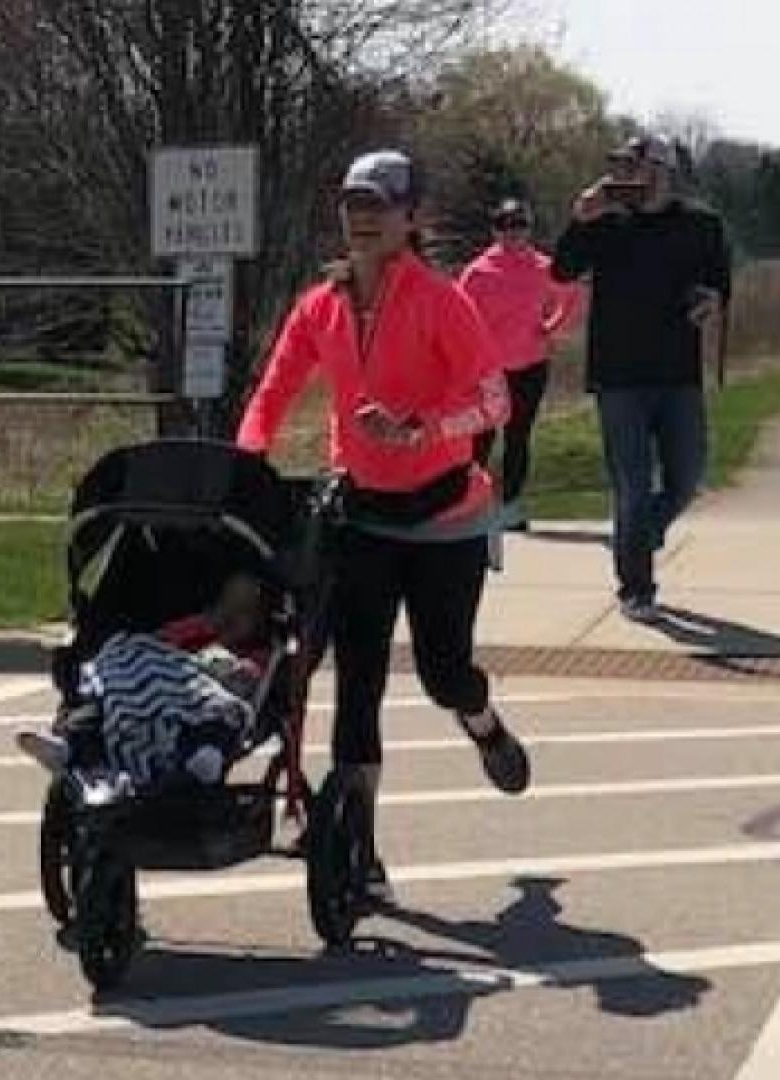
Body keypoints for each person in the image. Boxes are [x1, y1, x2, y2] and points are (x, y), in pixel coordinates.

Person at [235, 149, 532, 907]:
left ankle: (483, 723)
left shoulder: (440, 301)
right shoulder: (321, 305)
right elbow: (275, 387)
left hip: (445, 519)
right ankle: (356, 844)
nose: (363, 217)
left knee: (442, 673)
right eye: (353, 204)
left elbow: (494, 401)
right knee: (356, 678)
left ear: (410, 218)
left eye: (380, 205)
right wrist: (245, 459)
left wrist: (421, 429)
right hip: (362, 516)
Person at [552, 134, 732, 622]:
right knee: (631, 485)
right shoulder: (607, 222)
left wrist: (709, 300)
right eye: (624, 167)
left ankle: (639, 536)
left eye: (641, 166)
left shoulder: (700, 224)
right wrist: (580, 218)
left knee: (687, 476)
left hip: (678, 372)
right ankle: (636, 587)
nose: (631, 176)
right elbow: (562, 271)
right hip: (618, 376)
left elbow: (719, 281)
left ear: (665, 171)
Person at [15, 573, 270, 792]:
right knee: (108, 693)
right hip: (153, 688)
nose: (232, 618)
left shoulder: (255, 652)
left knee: (220, 712)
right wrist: (205, 624)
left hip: (197, 705)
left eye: (245, 612)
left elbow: (248, 684)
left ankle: (200, 753)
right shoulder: (196, 630)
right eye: (227, 607)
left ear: (260, 620)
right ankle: (73, 747)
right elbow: (154, 645)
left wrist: (232, 671)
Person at [458, 198, 584, 527]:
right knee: (480, 439)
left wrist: (552, 326)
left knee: (518, 436)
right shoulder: (478, 272)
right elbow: (459, 318)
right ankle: (471, 506)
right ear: (494, 230)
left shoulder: (544, 267)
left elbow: (571, 295)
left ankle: (510, 508)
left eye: (519, 225)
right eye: (504, 225)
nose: (512, 233)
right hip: (489, 371)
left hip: (530, 365)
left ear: (528, 229)